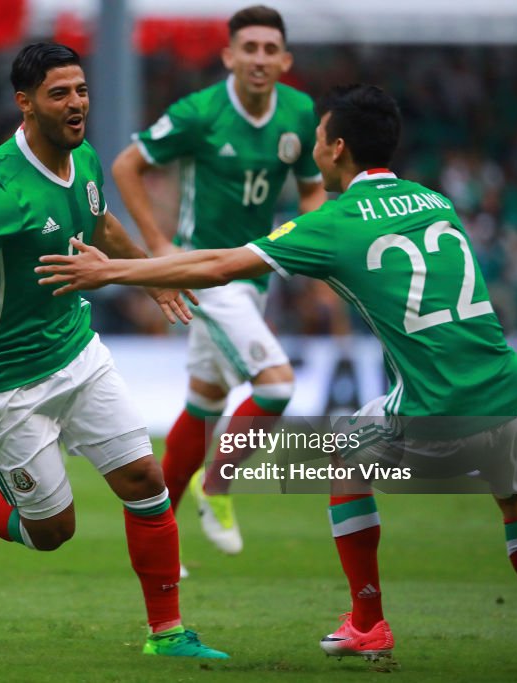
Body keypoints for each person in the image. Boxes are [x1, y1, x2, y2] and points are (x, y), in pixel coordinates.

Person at [36, 83, 517, 672]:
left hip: (436, 404)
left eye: (319, 137)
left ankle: (369, 623)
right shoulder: (435, 200)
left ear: (336, 148)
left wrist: (115, 270)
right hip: (508, 388)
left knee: (345, 457)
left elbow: (219, 265)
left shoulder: (336, 222)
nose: (312, 148)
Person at [0, 42, 228, 659]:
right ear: (25, 103)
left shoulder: (85, 157)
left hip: (78, 353)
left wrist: (152, 275)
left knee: (145, 479)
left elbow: (100, 226)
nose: (77, 105)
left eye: (83, 90)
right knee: (50, 533)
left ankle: (169, 633)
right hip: (7, 384)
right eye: (60, 93)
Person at [111, 5, 326, 558]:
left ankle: (160, 537)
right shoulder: (200, 112)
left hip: (254, 273)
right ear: (229, 56)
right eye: (247, 48)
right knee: (276, 385)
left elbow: (310, 192)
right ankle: (218, 486)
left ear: (285, 60)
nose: (258, 58)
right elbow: (125, 166)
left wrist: (311, 248)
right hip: (204, 271)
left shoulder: (300, 112)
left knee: (205, 401)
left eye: (268, 49)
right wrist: (161, 249)